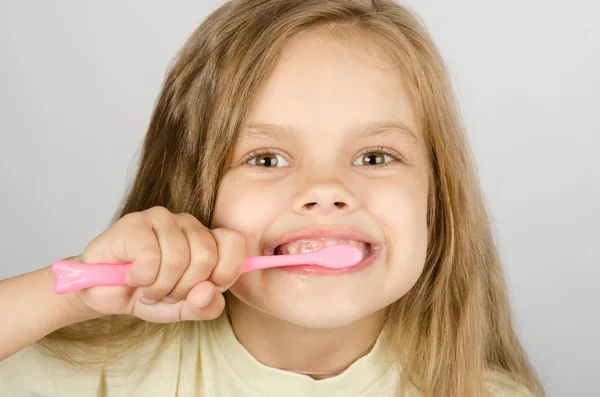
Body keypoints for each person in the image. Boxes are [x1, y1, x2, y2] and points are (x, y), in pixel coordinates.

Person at [0, 0, 546, 396]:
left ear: (436, 203)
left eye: (374, 157)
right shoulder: (98, 372)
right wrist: (72, 293)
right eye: (266, 159)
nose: (326, 190)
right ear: (193, 194)